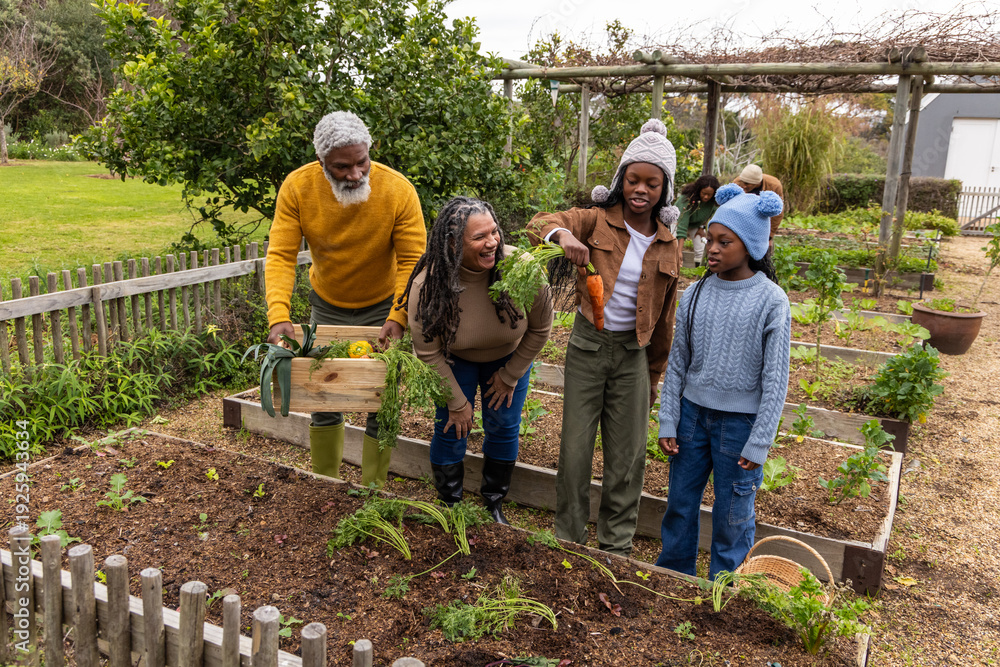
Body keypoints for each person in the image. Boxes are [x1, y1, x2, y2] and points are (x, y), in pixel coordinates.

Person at [528, 118, 682, 556]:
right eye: (633, 179)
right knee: (575, 450)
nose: (641, 189)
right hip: (588, 348)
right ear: (620, 180)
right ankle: (569, 539)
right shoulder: (594, 220)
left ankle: (616, 546)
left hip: (634, 356)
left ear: (664, 190)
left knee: (627, 457)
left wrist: (653, 375)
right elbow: (539, 223)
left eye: (652, 183)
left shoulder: (669, 244)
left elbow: (664, 319)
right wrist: (563, 236)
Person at [265, 111, 426, 487]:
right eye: (342, 167)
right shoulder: (298, 187)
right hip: (327, 305)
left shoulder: (398, 190)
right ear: (321, 161)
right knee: (323, 396)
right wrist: (278, 314)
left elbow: (412, 261)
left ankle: (373, 490)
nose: (355, 174)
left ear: (370, 151)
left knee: (382, 399)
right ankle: (327, 486)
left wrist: (399, 315)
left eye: (362, 162)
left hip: (384, 307)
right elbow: (281, 255)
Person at [655, 182, 791, 580]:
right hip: (691, 419)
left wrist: (760, 440)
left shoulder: (771, 300)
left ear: (751, 246)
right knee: (680, 504)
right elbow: (678, 363)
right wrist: (669, 419)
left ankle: (726, 589)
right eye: (710, 239)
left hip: (740, 426)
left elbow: (775, 379)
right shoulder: (695, 294)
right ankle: (673, 577)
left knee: (733, 516)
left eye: (724, 242)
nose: (711, 248)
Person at [402, 197, 553, 524]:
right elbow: (427, 352)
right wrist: (457, 402)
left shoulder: (522, 270)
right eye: (479, 237)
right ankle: (450, 503)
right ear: (453, 243)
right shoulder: (429, 285)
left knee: (504, 426)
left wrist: (511, 375)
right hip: (454, 360)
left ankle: (493, 503)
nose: (492, 242)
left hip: (508, 356)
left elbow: (541, 328)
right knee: (452, 427)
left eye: (494, 232)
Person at [674, 174, 721, 266]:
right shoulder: (687, 199)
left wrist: (701, 227)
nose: (706, 197)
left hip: (695, 224)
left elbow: (710, 217)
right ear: (698, 190)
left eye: (709, 194)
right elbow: (682, 225)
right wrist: (679, 251)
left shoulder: (713, 203)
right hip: (676, 222)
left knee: (701, 248)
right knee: (673, 247)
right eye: (704, 193)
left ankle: (699, 271)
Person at [733, 164, 784, 244]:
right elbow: (732, 207)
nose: (744, 186)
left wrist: (770, 236)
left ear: (757, 182)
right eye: (743, 182)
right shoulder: (737, 183)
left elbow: (778, 213)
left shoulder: (774, 185)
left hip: (764, 220)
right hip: (744, 218)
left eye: (747, 184)